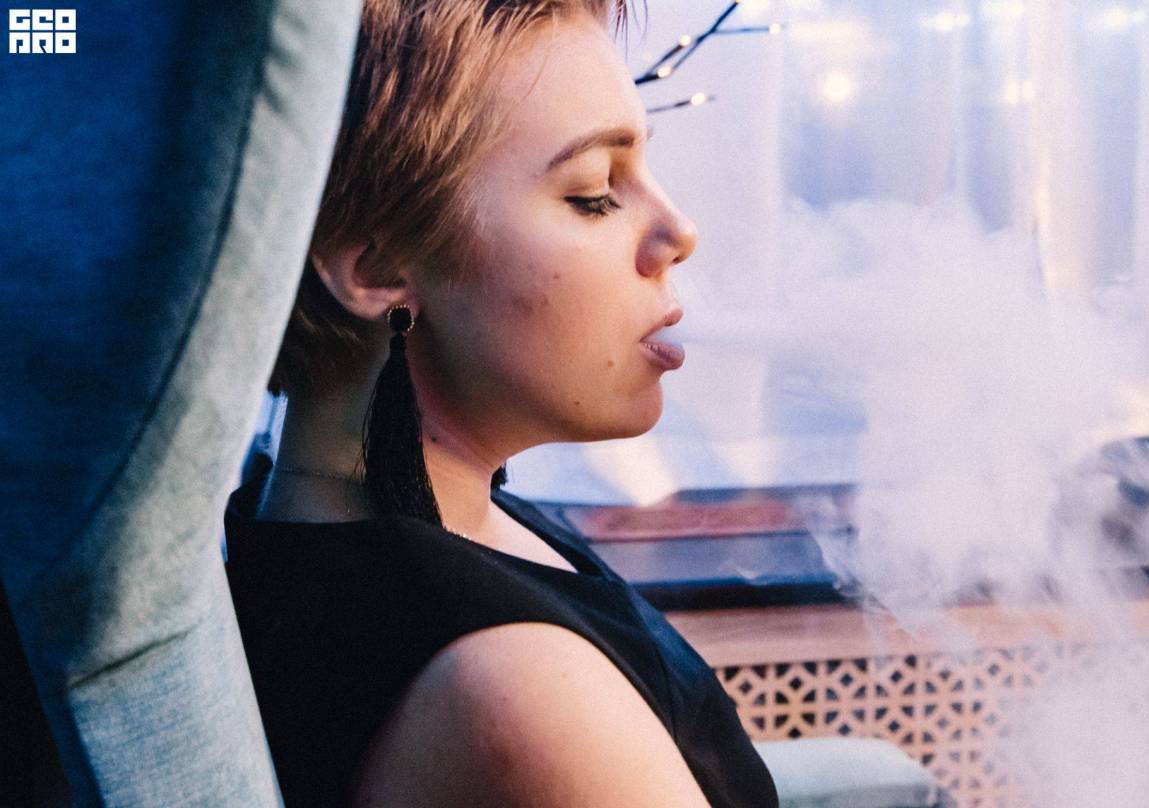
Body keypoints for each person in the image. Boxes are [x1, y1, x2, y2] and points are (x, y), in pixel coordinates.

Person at [223, 1, 779, 805]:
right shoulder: (524, 697)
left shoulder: (309, 522)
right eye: (593, 193)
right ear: (377, 266)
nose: (679, 231)